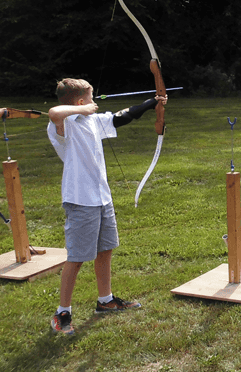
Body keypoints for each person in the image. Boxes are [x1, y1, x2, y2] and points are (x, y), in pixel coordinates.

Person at [47, 78, 167, 335]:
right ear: (80, 102)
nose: (94, 102)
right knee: (77, 257)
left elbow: (122, 117)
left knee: (105, 250)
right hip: (80, 200)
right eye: (91, 98)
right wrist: (83, 109)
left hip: (101, 197)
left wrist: (152, 103)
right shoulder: (64, 124)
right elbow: (54, 112)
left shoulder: (92, 120)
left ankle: (106, 300)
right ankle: (62, 312)